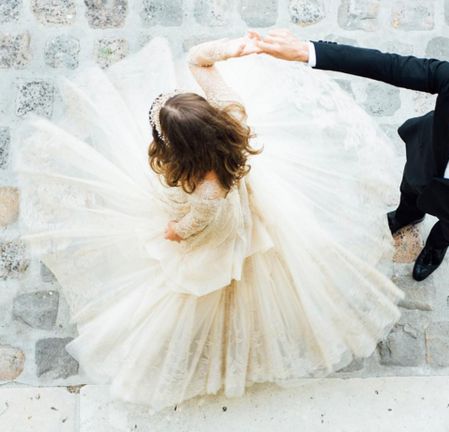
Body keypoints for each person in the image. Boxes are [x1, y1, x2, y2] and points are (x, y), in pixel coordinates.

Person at [15, 34, 404, 410]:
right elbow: (197, 60)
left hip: (219, 230)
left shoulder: (207, 190)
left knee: (210, 286)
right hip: (241, 195)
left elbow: (195, 224)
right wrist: (234, 48)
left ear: (182, 149)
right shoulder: (232, 114)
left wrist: (174, 231)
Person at [256, 29, 449, 281]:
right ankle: (406, 216)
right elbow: (393, 66)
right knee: (409, 193)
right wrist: (308, 51)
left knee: (448, 231)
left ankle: (435, 248)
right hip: (424, 161)